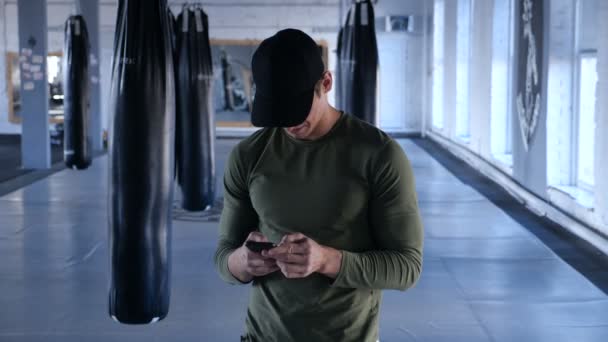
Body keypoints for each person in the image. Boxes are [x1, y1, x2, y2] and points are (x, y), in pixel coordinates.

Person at [214, 28, 424, 342]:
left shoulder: (379, 155)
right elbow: (223, 257)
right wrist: (242, 261)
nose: (288, 122)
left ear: (325, 83)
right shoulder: (249, 156)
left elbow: (406, 267)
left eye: (296, 108)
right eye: (277, 111)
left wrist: (327, 260)